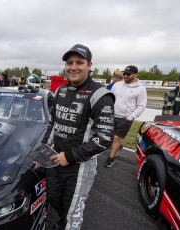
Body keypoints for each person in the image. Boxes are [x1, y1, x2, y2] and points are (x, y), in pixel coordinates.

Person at [41, 44, 115, 229]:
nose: (73, 67)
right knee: (53, 197)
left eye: (79, 62)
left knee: (73, 211)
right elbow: (53, 123)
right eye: (69, 63)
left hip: (80, 165)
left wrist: (70, 156)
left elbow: (104, 139)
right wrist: (43, 151)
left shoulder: (101, 95)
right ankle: (62, 222)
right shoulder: (61, 91)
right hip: (55, 158)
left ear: (89, 65)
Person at [104, 65, 147, 168]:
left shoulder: (141, 89)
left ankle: (111, 158)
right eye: (124, 74)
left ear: (135, 74)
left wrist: (131, 117)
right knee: (109, 137)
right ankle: (118, 146)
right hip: (111, 115)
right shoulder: (116, 85)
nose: (126, 76)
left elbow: (141, 106)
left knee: (116, 138)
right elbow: (110, 98)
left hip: (125, 118)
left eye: (128, 74)